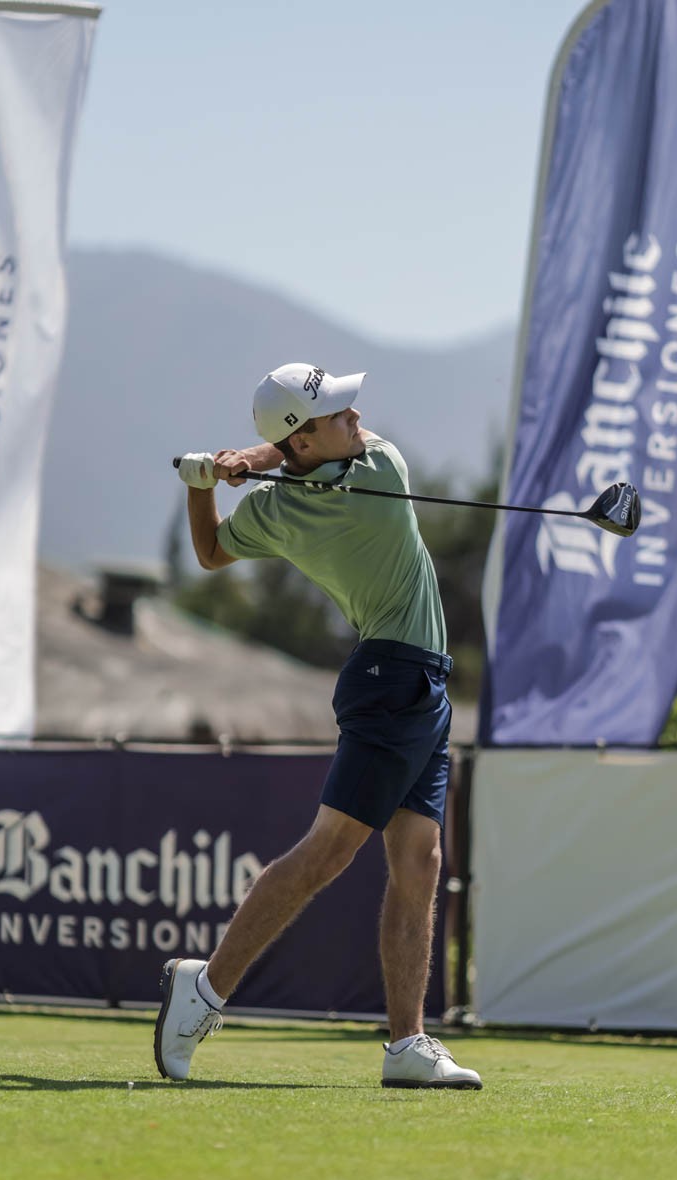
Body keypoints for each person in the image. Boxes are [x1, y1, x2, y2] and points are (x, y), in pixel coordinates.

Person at [154, 362, 482, 1090]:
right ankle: (204, 990)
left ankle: (407, 1043)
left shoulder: (322, 489)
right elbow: (218, 546)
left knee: (421, 861)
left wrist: (213, 478)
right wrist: (228, 471)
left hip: (419, 683)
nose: (356, 417)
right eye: (339, 413)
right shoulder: (363, 474)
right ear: (305, 441)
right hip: (392, 682)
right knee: (329, 851)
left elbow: (212, 547)